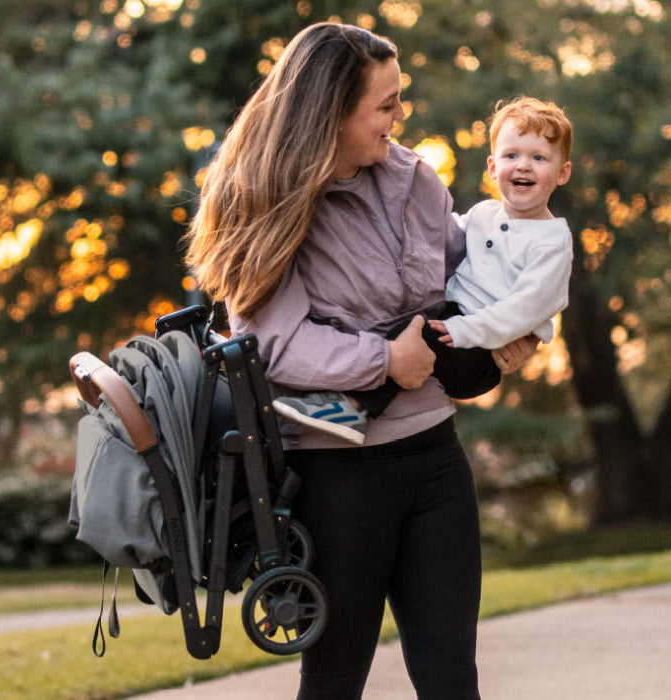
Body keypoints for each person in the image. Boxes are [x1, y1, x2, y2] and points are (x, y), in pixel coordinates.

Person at [186, 22, 537, 700]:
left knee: (450, 679)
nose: (399, 117)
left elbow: (467, 271)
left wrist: (513, 329)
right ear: (332, 112)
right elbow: (274, 343)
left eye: (398, 99)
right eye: (385, 105)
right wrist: (384, 360)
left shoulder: (413, 178)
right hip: (334, 477)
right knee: (334, 682)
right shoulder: (265, 202)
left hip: (434, 462)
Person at [274, 96, 573, 445]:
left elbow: (527, 307)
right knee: (403, 332)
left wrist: (468, 330)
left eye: (538, 158)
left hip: (479, 353)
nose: (523, 166)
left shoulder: (552, 241)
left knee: (413, 335)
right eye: (512, 156)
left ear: (562, 172)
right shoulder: (483, 214)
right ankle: (345, 400)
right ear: (492, 167)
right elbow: (441, 243)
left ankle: (353, 408)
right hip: (456, 324)